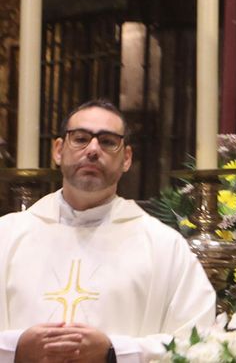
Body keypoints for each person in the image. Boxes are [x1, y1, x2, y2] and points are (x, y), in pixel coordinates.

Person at [0, 100, 215, 362]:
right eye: (80, 138)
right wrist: (15, 348)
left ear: (126, 158)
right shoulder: (7, 236)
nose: (92, 150)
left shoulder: (164, 246)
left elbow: (199, 341)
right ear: (58, 150)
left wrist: (114, 351)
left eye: (108, 141)